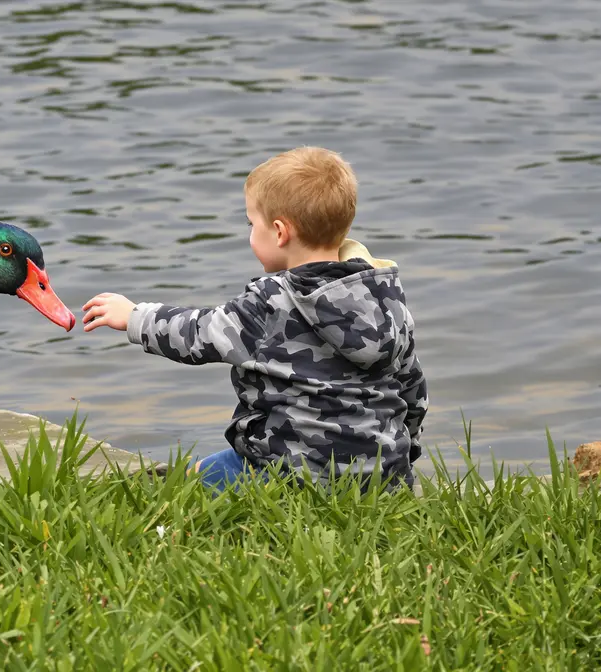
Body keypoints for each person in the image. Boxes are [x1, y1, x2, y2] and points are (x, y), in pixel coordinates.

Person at [82, 146, 428, 492]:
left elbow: (198, 334)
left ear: (279, 232)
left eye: (251, 223)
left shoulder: (272, 301)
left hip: (287, 474)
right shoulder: (386, 298)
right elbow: (412, 387)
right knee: (202, 469)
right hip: (382, 477)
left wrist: (135, 317)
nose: (250, 231)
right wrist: (402, 454)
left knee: (175, 486)